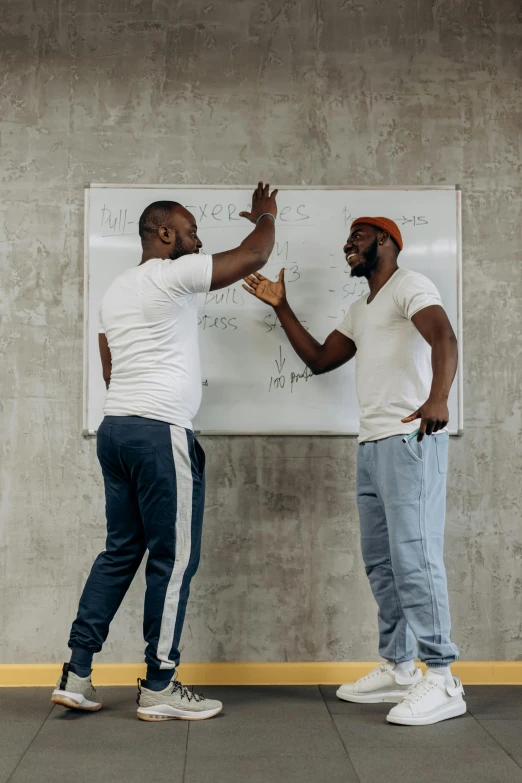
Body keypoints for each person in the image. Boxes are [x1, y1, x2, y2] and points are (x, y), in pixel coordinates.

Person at [52, 182, 278, 722]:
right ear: (165, 233)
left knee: (120, 552)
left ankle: (78, 674)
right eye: (193, 232)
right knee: (174, 560)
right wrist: (267, 215)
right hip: (159, 434)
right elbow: (255, 253)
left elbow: (110, 370)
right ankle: (159, 684)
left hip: (117, 430)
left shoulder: (115, 291)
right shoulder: (168, 274)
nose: (199, 242)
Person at [243, 216, 465, 726]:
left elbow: (444, 336)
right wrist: (281, 306)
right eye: (347, 237)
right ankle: (400, 666)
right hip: (371, 445)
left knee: (416, 559)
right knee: (382, 564)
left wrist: (438, 398)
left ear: (385, 241)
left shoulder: (411, 286)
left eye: (358, 237)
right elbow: (321, 360)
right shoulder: (361, 307)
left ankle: (442, 676)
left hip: (411, 439)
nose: (348, 243)